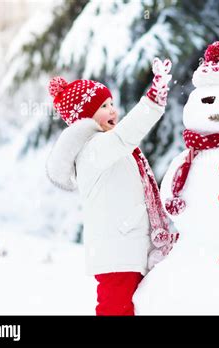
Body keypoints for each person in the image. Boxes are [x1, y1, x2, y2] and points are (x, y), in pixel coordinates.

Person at [46, 58, 174, 315]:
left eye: (112, 104)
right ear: (85, 116)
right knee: (116, 310)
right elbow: (125, 135)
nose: (113, 110)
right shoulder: (93, 148)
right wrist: (152, 100)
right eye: (104, 106)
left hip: (129, 249)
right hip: (118, 254)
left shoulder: (108, 147)